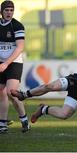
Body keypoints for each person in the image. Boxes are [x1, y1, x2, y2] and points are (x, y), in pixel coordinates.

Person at [0, 0, 30, 133]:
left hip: (14, 62)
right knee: (1, 92)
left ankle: (23, 119)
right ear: (1, 11)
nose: (9, 13)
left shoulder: (17, 25)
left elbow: (20, 47)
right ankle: (3, 124)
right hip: (1, 63)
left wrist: (6, 63)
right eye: (6, 10)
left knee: (11, 92)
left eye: (11, 10)